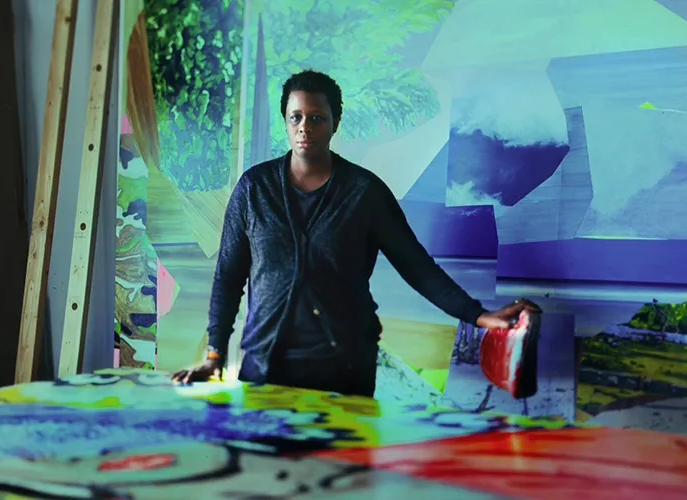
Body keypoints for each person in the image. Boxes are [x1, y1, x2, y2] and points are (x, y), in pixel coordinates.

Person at [172, 70, 541, 396]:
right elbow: (228, 276)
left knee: (343, 473)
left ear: (335, 122)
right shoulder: (254, 189)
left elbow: (416, 267)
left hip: (344, 368)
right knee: (266, 471)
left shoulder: (365, 193)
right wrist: (215, 355)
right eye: (296, 117)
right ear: (284, 121)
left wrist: (477, 315)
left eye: (317, 118)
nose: (305, 127)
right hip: (265, 368)